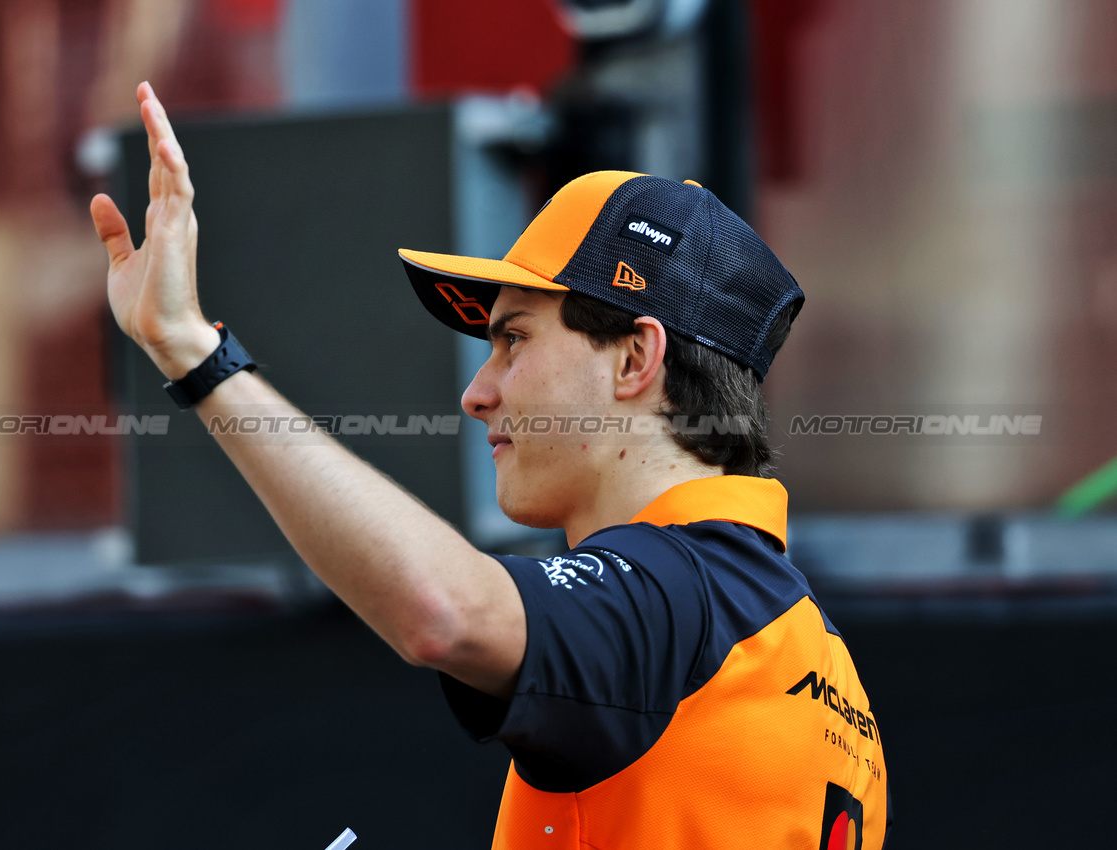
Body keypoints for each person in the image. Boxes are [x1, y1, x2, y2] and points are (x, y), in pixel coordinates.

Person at [90, 82, 890, 849]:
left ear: (635, 359)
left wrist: (196, 355)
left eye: (515, 340)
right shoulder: (809, 650)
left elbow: (441, 611)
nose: (478, 392)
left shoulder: (677, 592)